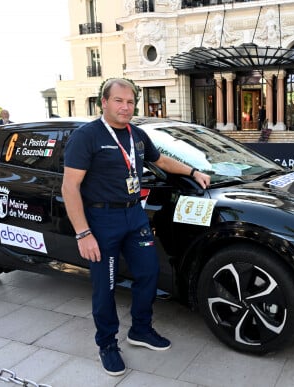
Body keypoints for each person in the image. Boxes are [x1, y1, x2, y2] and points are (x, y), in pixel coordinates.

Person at [61, 78, 210, 376]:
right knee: (106, 286)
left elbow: (161, 160)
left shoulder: (137, 134)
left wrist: (193, 170)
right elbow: (70, 187)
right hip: (101, 221)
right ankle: (107, 344)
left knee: (148, 273)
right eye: (119, 101)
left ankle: (140, 330)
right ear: (104, 102)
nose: (125, 107)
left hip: (134, 215)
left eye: (130, 102)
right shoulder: (87, 136)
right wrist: (83, 233)